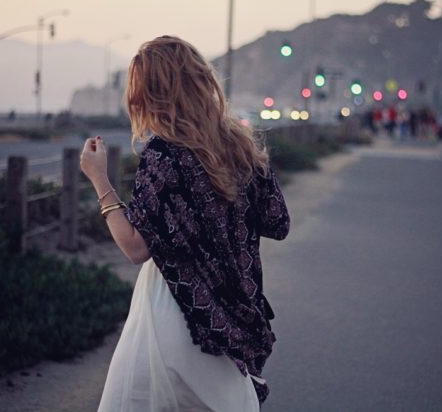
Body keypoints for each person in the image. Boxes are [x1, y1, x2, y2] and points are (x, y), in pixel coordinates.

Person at [80, 35, 290, 411]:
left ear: (148, 95)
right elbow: (278, 221)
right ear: (199, 83)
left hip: (170, 315)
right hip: (228, 319)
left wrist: (99, 180)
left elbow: (134, 247)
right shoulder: (241, 147)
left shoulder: (162, 155)